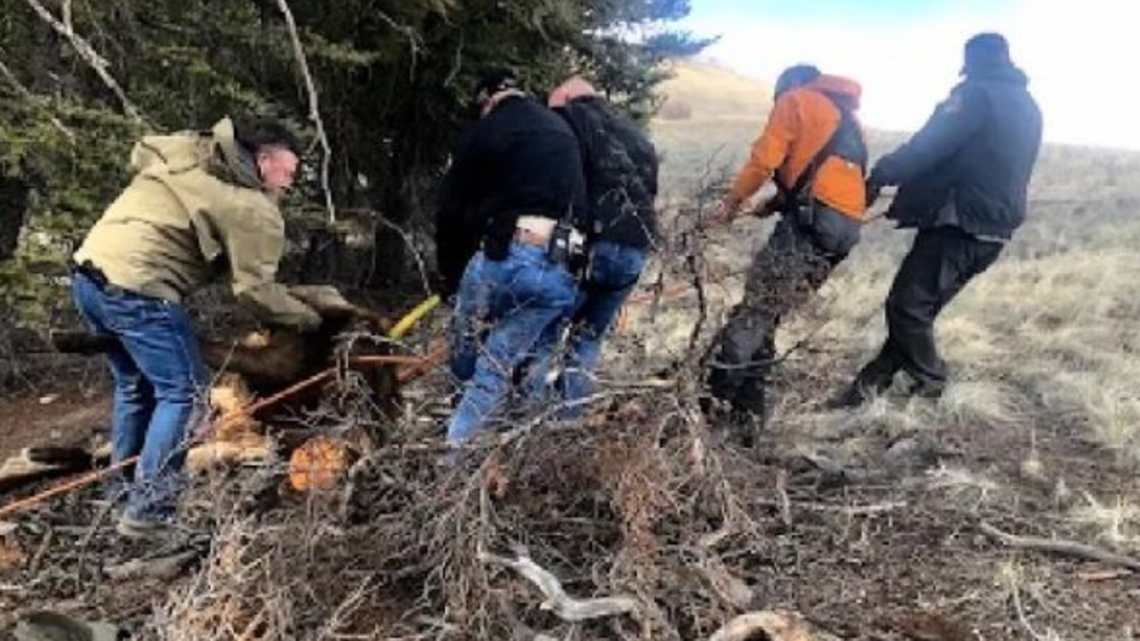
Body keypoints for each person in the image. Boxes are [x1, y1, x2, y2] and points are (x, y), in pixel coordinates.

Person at [71, 117, 324, 537]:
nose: (291, 182)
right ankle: (150, 511)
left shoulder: (187, 155)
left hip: (87, 278)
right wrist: (309, 318)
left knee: (137, 386)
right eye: (289, 171)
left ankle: (122, 493)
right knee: (186, 395)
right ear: (263, 161)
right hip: (138, 288)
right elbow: (254, 291)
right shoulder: (249, 205)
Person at [834, 33, 1042, 406]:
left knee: (906, 307)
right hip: (994, 231)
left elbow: (930, 144)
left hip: (959, 221)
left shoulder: (975, 95)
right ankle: (867, 389)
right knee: (917, 310)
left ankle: (931, 380)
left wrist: (882, 173)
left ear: (973, 63)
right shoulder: (1028, 105)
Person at [704, 64, 869, 439]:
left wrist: (731, 203)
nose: (776, 105)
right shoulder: (847, 118)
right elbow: (821, 175)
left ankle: (711, 411)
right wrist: (776, 202)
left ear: (788, 87)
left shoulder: (797, 100)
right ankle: (749, 418)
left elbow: (764, 160)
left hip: (809, 227)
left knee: (754, 313)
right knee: (768, 314)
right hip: (842, 236)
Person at [435, 72, 588, 444]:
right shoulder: (562, 130)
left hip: (506, 255)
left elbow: (451, 210)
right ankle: (494, 442)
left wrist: (450, 279)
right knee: (499, 363)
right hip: (558, 268)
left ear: (488, 102)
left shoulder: (488, 131)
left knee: (465, 338)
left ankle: (456, 431)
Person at [537, 76, 659, 406]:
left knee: (544, 330)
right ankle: (568, 420)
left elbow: (560, 181)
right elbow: (650, 189)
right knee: (588, 338)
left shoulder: (571, 119)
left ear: (565, 97)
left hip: (593, 243)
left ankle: (522, 418)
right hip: (636, 245)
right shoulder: (635, 133)